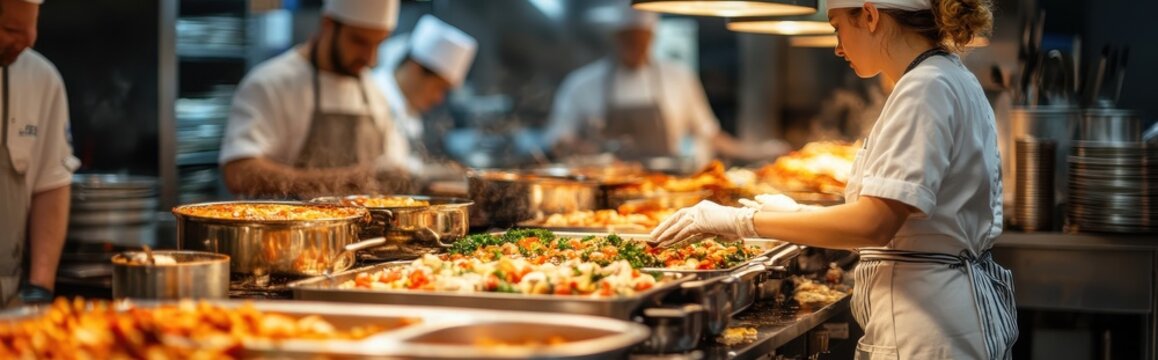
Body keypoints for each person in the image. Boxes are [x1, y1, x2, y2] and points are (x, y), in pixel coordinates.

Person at [650, 0, 1016, 358]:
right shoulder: (945, 76)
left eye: (837, 27)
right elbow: (898, 221)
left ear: (870, 16)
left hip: (927, 327)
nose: (838, 49)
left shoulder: (926, 87)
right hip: (942, 314)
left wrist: (740, 221)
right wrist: (796, 214)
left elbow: (874, 224)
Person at [542, 6, 786, 166]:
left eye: (641, 38)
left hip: (666, 186)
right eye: (628, 37)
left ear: (652, 37)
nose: (635, 45)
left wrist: (758, 151)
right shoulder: (581, 84)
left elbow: (710, 134)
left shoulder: (679, 77)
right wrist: (597, 154)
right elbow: (558, 140)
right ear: (615, 37)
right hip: (603, 189)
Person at [220, 0, 405, 198]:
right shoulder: (270, 84)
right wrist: (341, 180)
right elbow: (238, 172)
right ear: (327, 24)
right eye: (359, 41)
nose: (370, 58)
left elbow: (394, 163)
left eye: (378, 43)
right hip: (289, 226)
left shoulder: (374, 91)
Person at [0, 0, 80, 307]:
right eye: (10, 29)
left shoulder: (42, 80)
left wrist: (40, 287)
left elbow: (51, 184)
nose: (30, 39)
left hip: (9, 303)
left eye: (32, 26)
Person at [372, 15, 476, 182]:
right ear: (416, 68)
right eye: (439, 87)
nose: (439, 99)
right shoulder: (374, 97)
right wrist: (441, 173)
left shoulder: (410, 109)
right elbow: (390, 170)